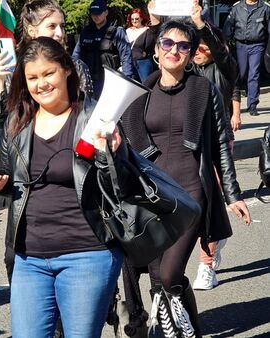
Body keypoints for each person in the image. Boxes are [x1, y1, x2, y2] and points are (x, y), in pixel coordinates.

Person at [0, 36, 126, 337]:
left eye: (48, 73)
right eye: (32, 77)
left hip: (87, 254)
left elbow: (120, 186)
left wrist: (115, 153)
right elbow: (11, 179)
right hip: (29, 258)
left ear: (66, 71)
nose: (41, 84)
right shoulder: (17, 121)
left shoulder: (93, 118)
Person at [121, 20, 251, 338]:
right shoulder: (138, 95)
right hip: (151, 199)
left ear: (191, 54)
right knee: (158, 280)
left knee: (167, 276)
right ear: (156, 50)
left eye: (183, 46)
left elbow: (220, 143)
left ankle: (179, 328)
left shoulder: (203, 91)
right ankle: (184, 329)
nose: (174, 50)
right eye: (167, 43)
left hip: (190, 196)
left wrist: (232, 194)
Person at [191, 3, 241, 291]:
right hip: (190, 145)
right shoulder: (187, 71)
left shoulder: (224, 68)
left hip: (218, 144)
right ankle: (216, 239)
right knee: (195, 205)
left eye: (202, 45)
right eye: (193, 46)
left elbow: (220, 52)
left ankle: (206, 264)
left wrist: (201, 26)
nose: (197, 50)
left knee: (210, 203)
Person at [0, 0, 93, 129]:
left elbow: (88, 115)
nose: (60, 33)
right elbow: (2, 122)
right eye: (52, 26)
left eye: (62, 26)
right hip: (28, 145)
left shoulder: (75, 66)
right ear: (32, 30)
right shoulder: (15, 68)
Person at [72, 0, 134, 99]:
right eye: (93, 14)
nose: (95, 16)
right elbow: (76, 55)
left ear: (106, 13)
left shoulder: (117, 31)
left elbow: (126, 57)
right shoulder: (86, 32)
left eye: (98, 13)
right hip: (89, 81)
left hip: (110, 81)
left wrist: (128, 81)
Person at [222, 0, 270, 116]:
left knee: (254, 73)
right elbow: (229, 27)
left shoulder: (265, 8)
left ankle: (252, 104)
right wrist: (225, 43)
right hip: (241, 45)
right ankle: (233, 102)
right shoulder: (237, 7)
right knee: (241, 74)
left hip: (257, 45)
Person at [126, 8, 156, 82]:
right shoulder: (127, 30)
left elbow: (150, 46)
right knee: (131, 84)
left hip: (143, 62)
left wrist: (144, 53)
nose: (134, 21)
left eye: (136, 19)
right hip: (129, 62)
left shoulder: (147, 30)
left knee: (146, 84)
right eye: (132, 19)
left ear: (141, 18)